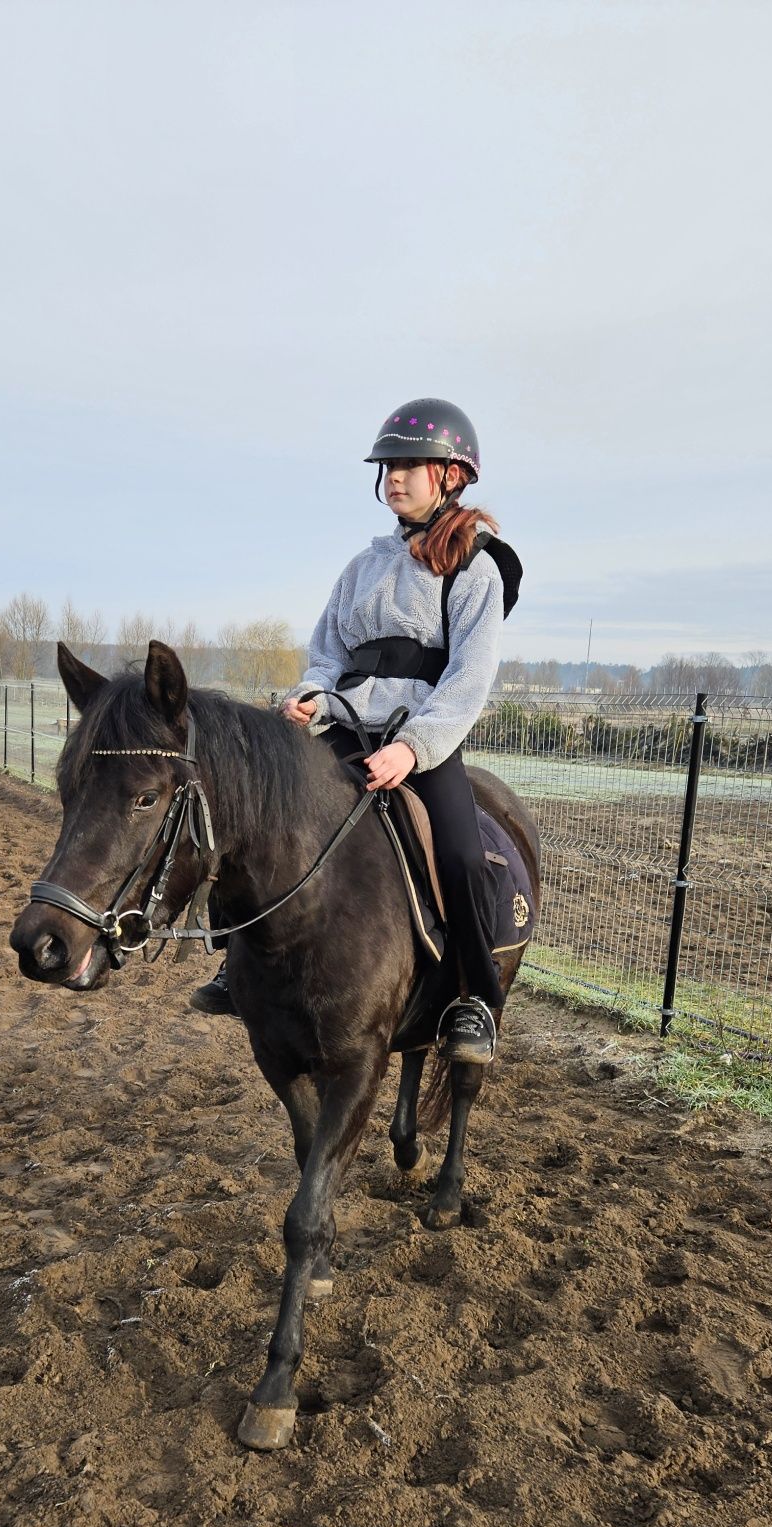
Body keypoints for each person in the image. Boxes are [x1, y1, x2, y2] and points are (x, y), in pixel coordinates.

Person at [191, 396, 518, 1064]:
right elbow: (327, 654)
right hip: (345, 730)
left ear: (451, 475)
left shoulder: (474, 567)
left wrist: (413, 748)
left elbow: (468, 678)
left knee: (458, 855)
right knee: (257, 815)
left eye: (411, 464)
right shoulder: (361, 568)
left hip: (421, 743)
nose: (395, 476)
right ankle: (236, 959)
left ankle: (474, 1000)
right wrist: (311, 698)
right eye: (388, 465)